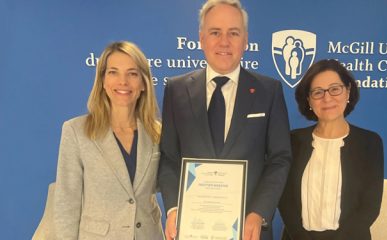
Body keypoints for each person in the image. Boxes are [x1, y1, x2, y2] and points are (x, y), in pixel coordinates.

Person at [158, 1, 292, 239]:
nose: (224, 42)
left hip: (249, 232)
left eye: (233, 33)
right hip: (192, 229)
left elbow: (279, 158)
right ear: (201, 39)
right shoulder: (175, 90)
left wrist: (259, 213)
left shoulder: (269, 91)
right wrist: (173, 209)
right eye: (215, 32)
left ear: (245, 40)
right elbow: (169, 157)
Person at [53, 41, 163, 240]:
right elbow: (66, 203)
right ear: (102, 81)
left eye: (132, 73)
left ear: (144, 83)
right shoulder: (76, 131)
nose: (123, 81)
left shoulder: (158, 133)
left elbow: (172, 182)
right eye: (113, 72)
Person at [279, 59, 384, 240]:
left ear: (348, 91)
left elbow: (370, 207)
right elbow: (285, 201)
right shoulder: (291, 141)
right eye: (318, 92)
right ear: (309, 100)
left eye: (335, 89)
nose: (327, 98)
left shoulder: (369, 143)